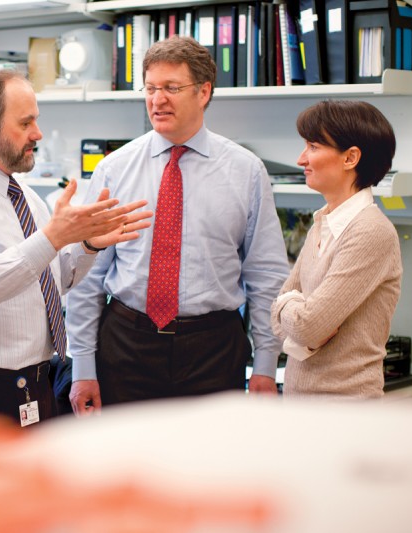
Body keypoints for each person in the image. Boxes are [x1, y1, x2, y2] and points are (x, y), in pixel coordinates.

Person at [0, 70, 153, 428]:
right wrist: (51, 239)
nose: (37, 134)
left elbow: (54, 280)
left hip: (33, 383)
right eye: (25, 123)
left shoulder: (23, 196)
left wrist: (87, 244)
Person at [65, 36, 290, 415]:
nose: (158, 100)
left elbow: (266, 274)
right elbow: (88, 275)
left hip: (213, 350)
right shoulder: (114, 169)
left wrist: (266, 364)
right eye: (150, 88)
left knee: (207, 454)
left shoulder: (246, 171)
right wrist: (83, 367)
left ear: (204, 92)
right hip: (126, 346)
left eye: (171, 88)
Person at [270, 100, 402, 398]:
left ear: (350, 157)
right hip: (301, 402)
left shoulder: (370, 231)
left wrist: (291, 312)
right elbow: (279, 312)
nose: (301, 159)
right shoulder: (323, 221)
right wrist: (292, 312)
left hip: (345, 408)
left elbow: (307, 327)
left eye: (313, 146)